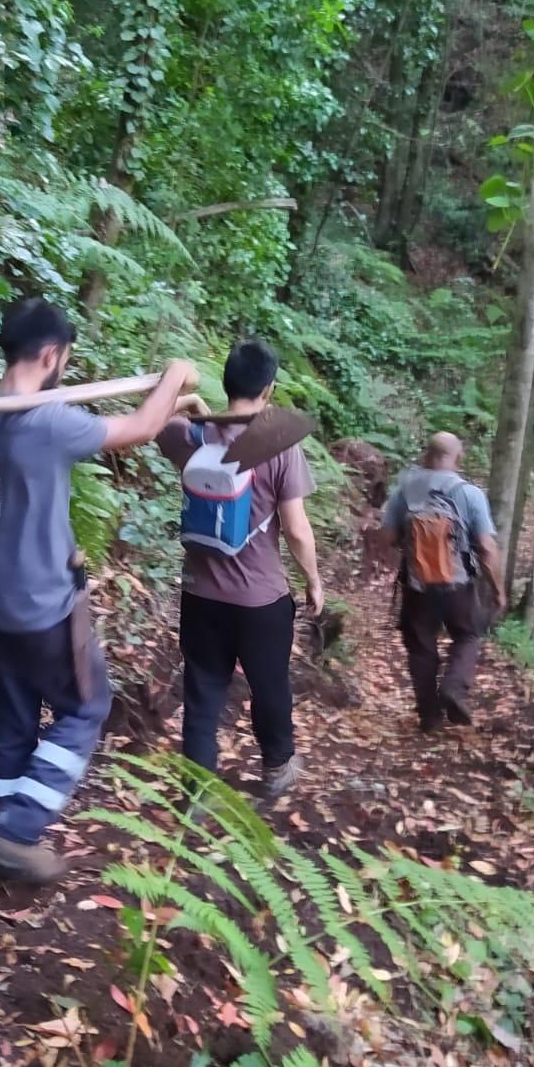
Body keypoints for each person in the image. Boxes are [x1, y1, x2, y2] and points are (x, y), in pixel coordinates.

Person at [0, 297, 197, 885]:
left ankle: (8, 832)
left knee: (12, 722)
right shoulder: (48, 420)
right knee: (86, 705)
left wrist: (170, 399)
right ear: (53, 355)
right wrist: (178, 375)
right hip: (42, 604)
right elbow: (138, 428)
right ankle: (20, 827)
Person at [157, 339, 323, 798]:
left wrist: (188, 396)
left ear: (226, 381)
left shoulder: (189, 436)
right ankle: (276, 768)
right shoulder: (279, 446)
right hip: (261, 599)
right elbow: (296, 528)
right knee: (269, 685)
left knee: (203, 691)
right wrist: (313, 580)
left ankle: (196, 789)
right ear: (268, 389)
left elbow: (151, 416)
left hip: (200, 593)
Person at [381, 431, 505, 730]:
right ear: (458, 458)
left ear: (427, 454)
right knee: (468, 635)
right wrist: (499, 590)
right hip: (458, 585)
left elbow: (387, 537)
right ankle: (453, 687)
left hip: (417, 585)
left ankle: (430, 717)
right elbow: (487, 549)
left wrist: (414, 548)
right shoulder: (470, 493)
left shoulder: (404, 491)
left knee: (421, 646)